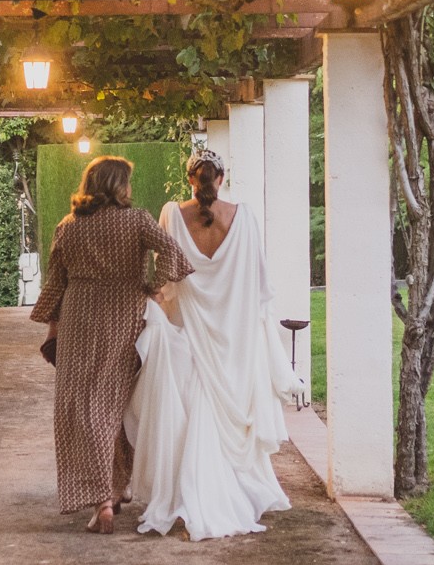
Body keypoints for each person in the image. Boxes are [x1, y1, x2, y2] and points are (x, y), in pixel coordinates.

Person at [125, 146, 310, 541]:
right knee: (217, 413)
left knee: (188, 413)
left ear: (190, 179)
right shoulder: (243, 218)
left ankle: (186, 491)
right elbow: (258, 285)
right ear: (221, 178)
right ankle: (233, 489)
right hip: (232, 337)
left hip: (187, 333)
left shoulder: (172, 214)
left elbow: (166, 276)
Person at [29, 155, 194, 534]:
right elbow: (172, 252)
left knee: (80, 408)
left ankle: (104, 497)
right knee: (114, 405)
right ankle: (115, 490)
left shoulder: (68, 227)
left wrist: (50, 328)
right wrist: (156, 287)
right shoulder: (136, 220)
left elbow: (57, 281)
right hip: (124, 314)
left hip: (79, 317)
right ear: (117, 186)